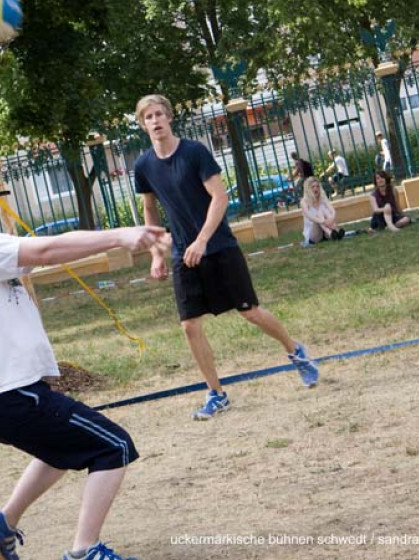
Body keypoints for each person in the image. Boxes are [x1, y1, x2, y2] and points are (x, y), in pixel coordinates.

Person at [0, 174, 168, 560]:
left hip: (4, 395)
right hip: (8, 395)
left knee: (59, 451)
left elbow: (49, 252)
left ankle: (3, 524)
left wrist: (125, 240)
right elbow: (45, 251)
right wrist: (120, 235)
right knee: (114, 447)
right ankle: (84, 551)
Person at [133, 94, 319, 421]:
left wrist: (203, 240)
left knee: (251, 312)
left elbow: (220, 196)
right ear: (142, 124)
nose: (156, 120)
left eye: (160, 113)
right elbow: (150, 208)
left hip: (218, 247)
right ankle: (216, 394)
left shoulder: (194, 152)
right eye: (149, 117)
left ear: (170, 117)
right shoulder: (144, 165)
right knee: (190, 325)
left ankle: (296, 351)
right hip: (182, 253)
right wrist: (156, 254)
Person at [300, 176, 344, 245]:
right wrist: (323, 221)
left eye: (317, 186)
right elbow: (309, 216)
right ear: (308, 189)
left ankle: (334, 231)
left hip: (326, 230)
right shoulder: (304, 201)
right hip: (314, 235)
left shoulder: (322, 197)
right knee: (319, 213)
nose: (316, 189)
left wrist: (331, 219)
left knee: (324, 211)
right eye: (313, 187)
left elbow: (333, 211)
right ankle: (335, 230)